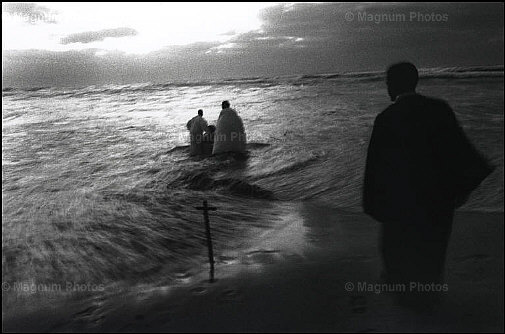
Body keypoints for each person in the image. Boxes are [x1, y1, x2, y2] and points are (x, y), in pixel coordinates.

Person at [363, 62, 493, 307]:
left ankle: (406, 294)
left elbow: (376, 165)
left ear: (393, 85)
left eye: (387, 83)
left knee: (397, 246)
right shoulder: (439, 109)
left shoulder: (387, 118)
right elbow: (459, 150)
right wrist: (462, 188)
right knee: (433, 246)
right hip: (438, 196)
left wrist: (373, 203)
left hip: (402, 198)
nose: (387, 87)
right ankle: (428, 294)